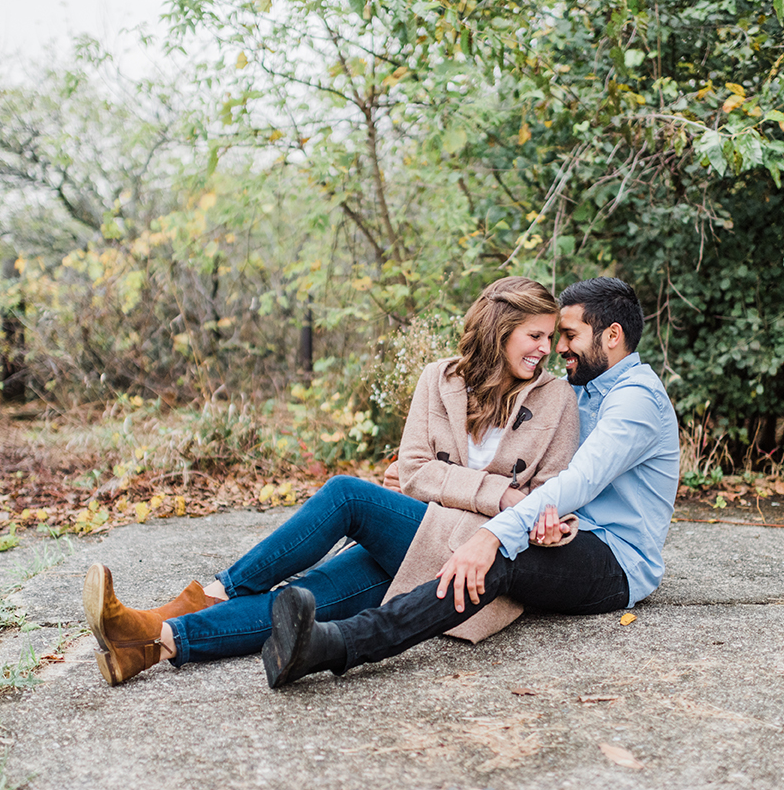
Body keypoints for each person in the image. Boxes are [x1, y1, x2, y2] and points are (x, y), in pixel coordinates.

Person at [82, 276, 581, 686]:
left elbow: (547, 498)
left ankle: (210, 595)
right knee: (306, 600)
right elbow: (413, 469)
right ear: (500, 330)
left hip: (474, 554)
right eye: (534, 335)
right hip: (422, 532)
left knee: (346, 496)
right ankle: (151, 644)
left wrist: (469, 491)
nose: (546, 349)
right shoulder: (440, 379)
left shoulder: (556, 399)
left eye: (549, 336)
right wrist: (500, 493)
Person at [261, 276, 680, 689]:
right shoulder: (587, 389)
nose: (559, 348)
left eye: (570, 335)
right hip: (562, 531)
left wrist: (490, 537)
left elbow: (577, 483)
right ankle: (248, 606)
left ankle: (335, 645)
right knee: (473, 541)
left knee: (495, 559)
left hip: (616, 561)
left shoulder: (636, 401)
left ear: (612, 335)